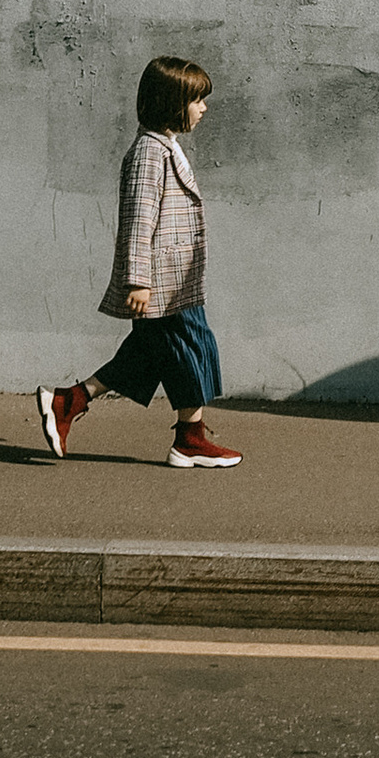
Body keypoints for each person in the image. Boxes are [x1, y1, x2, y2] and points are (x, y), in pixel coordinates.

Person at [36, 56, 242, 470]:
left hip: (175, 280)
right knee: (190, 347)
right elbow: (137, 218)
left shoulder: (165, 145)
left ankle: (69, 401)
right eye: (197, 100)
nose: (204, 108)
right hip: (161, 281)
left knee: (150, 353)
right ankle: (190, 440)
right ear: (171, 102)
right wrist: (137, 280)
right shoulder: (149, 152)